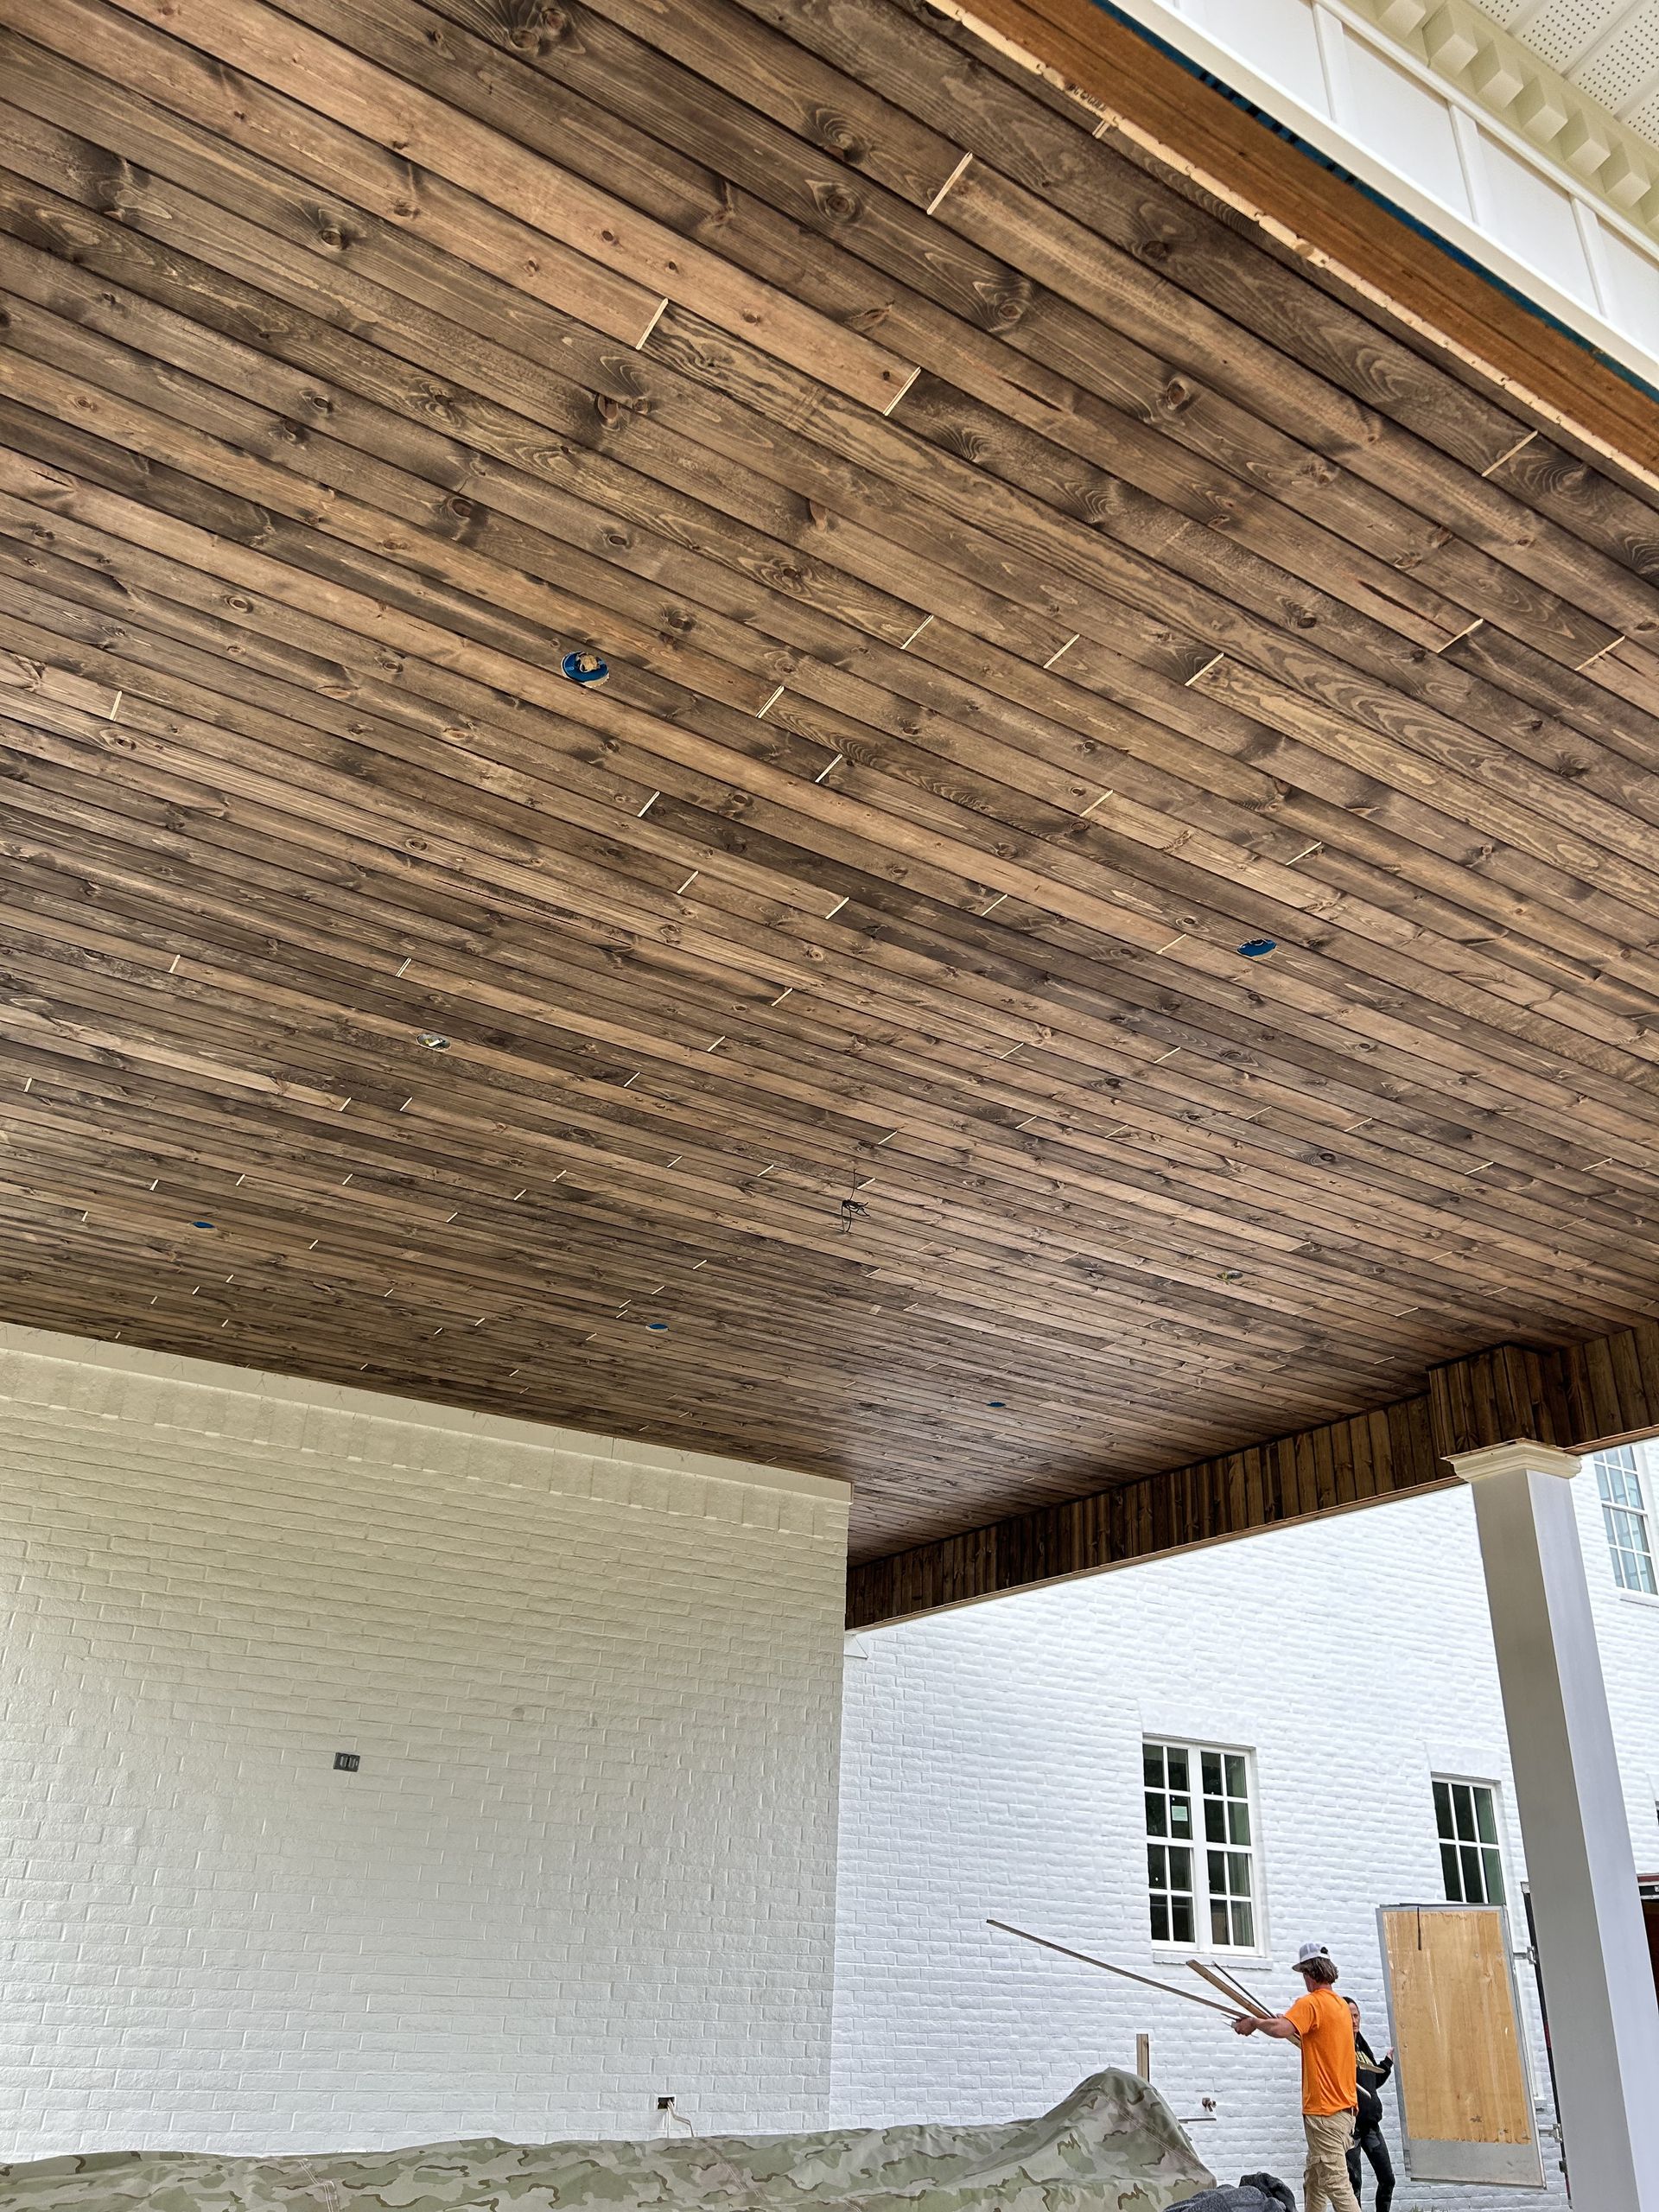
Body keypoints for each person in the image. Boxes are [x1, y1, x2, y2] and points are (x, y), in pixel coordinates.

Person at [1232, 1942, 1360, 2212]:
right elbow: (1300, 2030)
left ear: (1309, 1972)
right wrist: (1282, 2021)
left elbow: (1281, 2029)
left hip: (1324, 2113)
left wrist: (1255, 2023)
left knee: (1337, 2186)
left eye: (1303, 1973)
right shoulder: (1339, 2006)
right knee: (1313, 2180)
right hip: (1343, 2111)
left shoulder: (1311, 2003)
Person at [1344, 1998, 1395, 2212]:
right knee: (1353, 2188)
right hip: (1350, 2128)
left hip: (1371, 2126)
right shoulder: (1339, 2046)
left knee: (1388, 2179)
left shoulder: (1361, 2046)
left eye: (1356, 2015)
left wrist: (1387, 2062)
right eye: (1348, 2016)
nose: (1353, 2020)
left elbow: (1372, 2082)